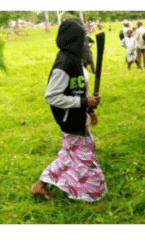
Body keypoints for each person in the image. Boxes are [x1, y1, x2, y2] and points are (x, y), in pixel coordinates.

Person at [30, 19, 106, 202]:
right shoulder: (64, 63)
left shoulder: (75, 60)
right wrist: (83, 101)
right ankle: (92, 195)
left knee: (69, 152)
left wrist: (89, 108)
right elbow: (51, 96)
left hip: (78, 116)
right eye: (81, 39)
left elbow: (78, 89)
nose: (84, 43)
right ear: (72, 40)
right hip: (69, 119)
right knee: (85, 159)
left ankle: (40, 185)